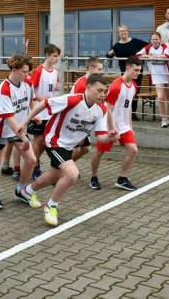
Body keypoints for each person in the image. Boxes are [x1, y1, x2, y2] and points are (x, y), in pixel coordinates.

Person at [18, 74, 118, 226]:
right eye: (99, 90)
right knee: (72, 174)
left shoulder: (101, 110)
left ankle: (27, 191)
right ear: (88, 88)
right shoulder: (72, 100)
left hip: (68, 145)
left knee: (54, 175)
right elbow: (45, 103)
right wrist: (25, 121)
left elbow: (101, 138)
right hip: (54, 141)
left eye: (104, 91)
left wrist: (110, 137)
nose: (102, 95)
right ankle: (51, 206)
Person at [0, 53, 41, 210]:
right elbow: (9, 119)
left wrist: (34, 114)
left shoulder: (27, 82)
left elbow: (31, 99)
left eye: (28, 71)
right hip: (2, 129)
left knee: (31, 160)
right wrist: (24, 138)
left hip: (18, 128)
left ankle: (21, 190)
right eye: (24, 71)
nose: (27, 75)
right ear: (14, 69)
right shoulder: (4, 89)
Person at [90, 56, 142, 191]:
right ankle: (93, 177)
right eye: (136, 70)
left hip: (123, 126)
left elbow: (128, 106)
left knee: (133, 150)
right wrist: (111, 129)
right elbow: (108, 108)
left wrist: (130, 126)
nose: (138, 73)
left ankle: (122, 178)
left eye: (139, 70)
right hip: (108, 124)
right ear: (128, 68)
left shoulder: (134, 86)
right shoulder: (116, 86)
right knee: (99, 152)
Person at [28, 44, 61, 180]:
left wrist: (58, 87)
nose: (56, 58)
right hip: (39, 111)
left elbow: (53, 89)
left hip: (50, 111)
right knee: (38, 139)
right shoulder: (38, 71)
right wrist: (42, 102)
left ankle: (34, 162)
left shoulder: (55, 71)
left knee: (45, 141)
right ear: (47, 56)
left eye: (57, 56)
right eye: (54, 56)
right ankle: (35, 168)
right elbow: (31, 91)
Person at [107, 25, 149, 120]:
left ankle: (133, 113)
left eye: (124, 31)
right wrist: (110, 53)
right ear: (118, 34)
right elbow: (108, 55)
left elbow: (148, 47)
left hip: (137, 71)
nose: (123, 33)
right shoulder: (117, 46)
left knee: (134, 91)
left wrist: (143, 56)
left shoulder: (135, 41)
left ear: (128, 31)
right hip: (125, 72)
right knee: (125, 92)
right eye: (121, 31)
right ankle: (124, 111)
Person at [70, 56, 104, 162]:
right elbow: (76, 107)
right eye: (99, 69)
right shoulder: (82, 84)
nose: (101, 72)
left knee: (85, 149)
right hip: (75, 121)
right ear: (91, 69)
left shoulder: (94, 82)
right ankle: (62, 170)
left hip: (85, 119)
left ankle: (65, 168)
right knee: (76, 149)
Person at [137, 32, 169, 128]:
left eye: (156, 39)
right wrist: (148, 56)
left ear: (160, 40)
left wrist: (155, 56)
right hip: (157, 75)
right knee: (160, 97)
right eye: (153, 39)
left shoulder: (164, 46)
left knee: (168, 97)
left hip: (168, 74)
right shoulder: (148, 48)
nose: (154, 41)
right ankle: (163, 119)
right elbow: (138, 55)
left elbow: (167, 55)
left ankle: (167, 117)